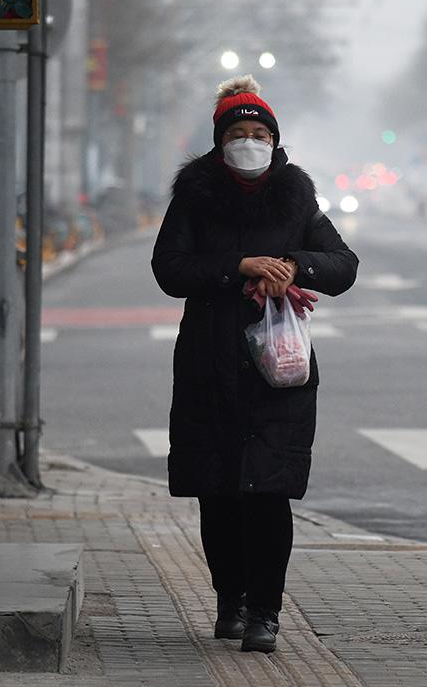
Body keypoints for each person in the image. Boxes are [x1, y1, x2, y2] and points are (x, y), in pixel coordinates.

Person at [152, 75, 358, 653]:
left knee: (267, 493)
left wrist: (295, 265)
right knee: (217, 493)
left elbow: (343, 264)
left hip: (279, 370)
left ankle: (266, 611)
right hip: (208, 366)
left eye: (259, 132)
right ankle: (231, 601)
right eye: (238, 133)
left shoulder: (297, 197)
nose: (249, 141)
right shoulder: (194, 196)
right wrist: (237, 265)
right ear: (220, 142)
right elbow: (169, 269)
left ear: (275, 140)